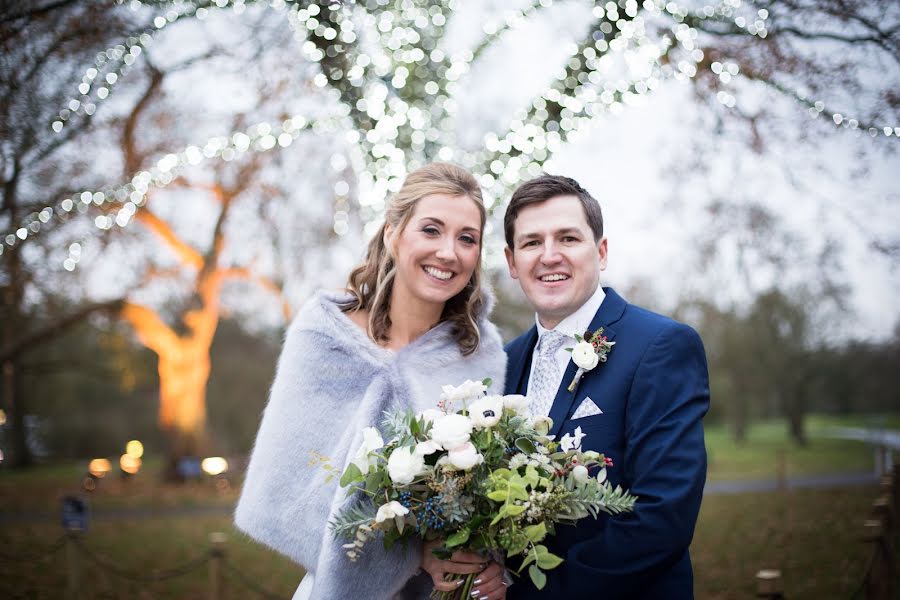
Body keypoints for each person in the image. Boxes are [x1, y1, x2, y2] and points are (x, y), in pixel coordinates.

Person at [235, 163, 509, 600]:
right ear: (393, 232)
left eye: (467, 238)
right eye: (431, 230)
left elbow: (486, 494)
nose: (448, 252)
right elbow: (288, 485)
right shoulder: (323, 335)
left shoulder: (480, 354)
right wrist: (412, 553)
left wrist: (488, 564)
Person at [501, 175, 710, 599]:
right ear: (511, 261)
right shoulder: (502, 364)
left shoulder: (660, 346)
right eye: (531, 243)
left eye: (568, 238)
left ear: (601, 251)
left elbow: (662, 518)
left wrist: (528, 595)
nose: (550, 256)